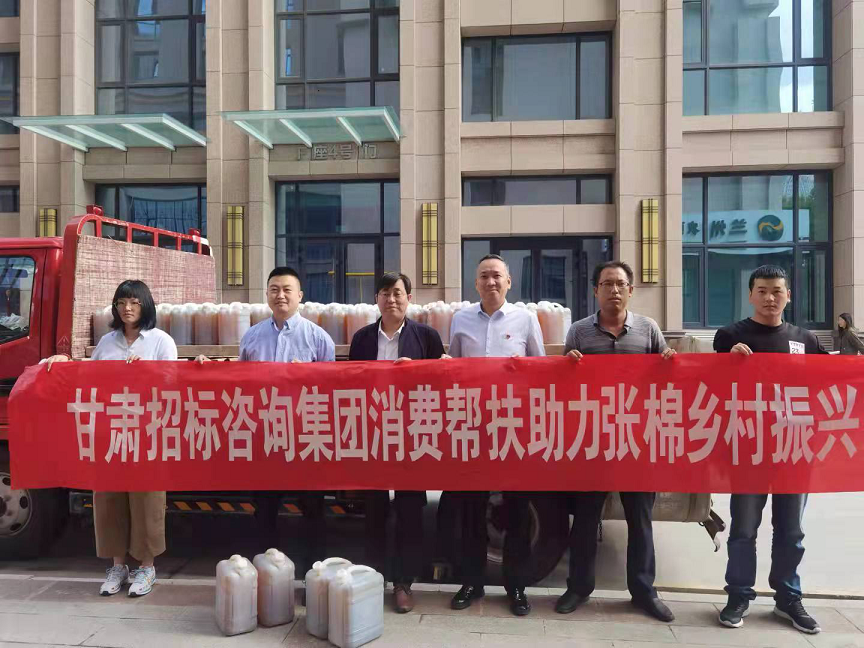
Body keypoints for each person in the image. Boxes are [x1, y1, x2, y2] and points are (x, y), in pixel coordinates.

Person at [558, 261, 676, 623]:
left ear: (631, 290)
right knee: (585, 519)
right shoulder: (579, 332)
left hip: (637, 440)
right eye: (607, 284)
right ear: (595, 290)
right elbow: (562, 386)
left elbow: (666, 377)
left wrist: (669, 359)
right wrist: (568, 364)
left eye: (620, 284)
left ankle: (643, 591)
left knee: (640, 519)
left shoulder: (648, 329)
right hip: (592, 439)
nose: (614, 290)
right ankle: (578, 587)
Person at [197, 267, 335, 571]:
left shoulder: (318, 338)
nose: (280, 295)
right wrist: (208, 369)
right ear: (267, 295)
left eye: (287, 289)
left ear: (300, 295)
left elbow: (332, 391)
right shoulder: (252, 336)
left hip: (305, 436)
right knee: (265, 508)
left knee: (313, 508)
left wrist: (309, 377)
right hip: (265, 435)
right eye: (274, 289)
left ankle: (314, 573)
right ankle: (267, 573)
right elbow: (239, 382)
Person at [45, 280, 177, 598]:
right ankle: (118, 566)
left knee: (147, 500)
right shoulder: (106, 343)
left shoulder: (161, 341)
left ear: (145, 305)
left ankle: (147, 567)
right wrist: (65, 364)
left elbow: (173, 384)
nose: (127, 308)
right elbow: (89, 380)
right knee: (109, 499)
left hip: (146, 432)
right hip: (110, 431)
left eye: (134, 302)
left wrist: (146, 372)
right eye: (121, 303)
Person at [713, 264, 826, 634]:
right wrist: (727, 361)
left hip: (794, 450)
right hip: (750, 449)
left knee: (791, 531)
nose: (769, 298)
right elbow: (709, 386)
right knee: (744, 529)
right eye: (762, 290)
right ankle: (739, 595)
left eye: (777, 291)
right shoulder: (730, 336)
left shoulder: (805, 340)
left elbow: (833, 381)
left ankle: (788, 597)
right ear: (750, 295)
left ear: (788, 296)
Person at [445, 253, 545, 616]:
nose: (491, 282)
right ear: (475, 284)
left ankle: (516, 586)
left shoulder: (525, 319)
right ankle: (472, 582)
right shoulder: (460, 319)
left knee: (516, 510)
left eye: (497, 276)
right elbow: (454, 371)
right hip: (472, 426)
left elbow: (540, 370)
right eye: (484, 276)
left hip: (514, 427)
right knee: (471, 510)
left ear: (509, 282)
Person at [348, 272, 444, 613]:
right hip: (373, 434)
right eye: (385, 293)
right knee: (373, 511)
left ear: (409, 298)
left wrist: (417, 372)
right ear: (376, 299)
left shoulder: (427, 337)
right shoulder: (362, 339)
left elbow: (440, 383)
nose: (391, 299)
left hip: (412, 434)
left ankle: (404, 583)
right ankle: (374, 579)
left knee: (410, 512)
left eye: (398, 293)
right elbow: (351, 384)